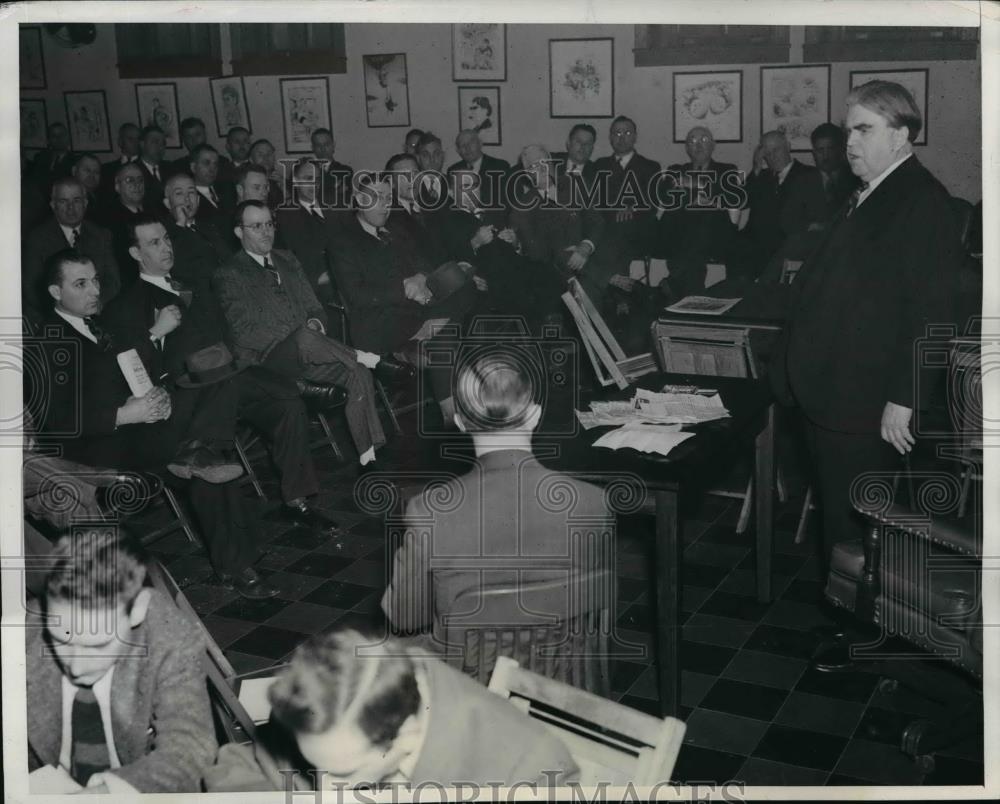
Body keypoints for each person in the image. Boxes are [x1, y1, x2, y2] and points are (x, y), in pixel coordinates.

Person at [777, 80, 962, 585]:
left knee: (858, 531)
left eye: (864, 129)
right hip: (833, 395)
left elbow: (933, 313)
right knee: (843, 523)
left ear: (901, 136)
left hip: (866, 402)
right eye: (847, 130)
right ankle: (845, 621)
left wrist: (905, 398)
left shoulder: (923, 201)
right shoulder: (869, 191)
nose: (849, 142)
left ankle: (856, 638)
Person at [31, 250, 280, 598]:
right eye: (81, 284)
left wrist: (156, 394)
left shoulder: (99, 325)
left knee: (216, 385)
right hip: (100, 447)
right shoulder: (47, 342)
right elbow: (53, 421)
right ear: (56, 292)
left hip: (141, 428)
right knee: (201, 455)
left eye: (96, 280)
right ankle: (237, 563)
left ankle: (200, 464)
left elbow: (130, 371)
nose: (94, 290)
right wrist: (123, 414)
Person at [102, 215, 339, 533]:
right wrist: (156, 333)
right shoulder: (126, 306)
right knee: (246, 417)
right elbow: (133, 370)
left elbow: (228, 334)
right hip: (186, 394)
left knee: (286, 404)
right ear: (135, 253)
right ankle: (233, 559)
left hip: (230, 377)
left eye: (167, 239)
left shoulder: (196, 284)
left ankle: (297, 502)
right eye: (154, 243)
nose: (166, 247)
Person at [382, 349, 613, 637]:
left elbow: (405, 617)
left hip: (466, 677)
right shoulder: (592, 502)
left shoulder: (429, 511)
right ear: (535, 415)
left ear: (460, 422)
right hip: (561, 675)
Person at [204, 628, 579, 792]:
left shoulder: (531, 772)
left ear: (408, 735)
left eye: (344, 774)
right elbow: (248, 763)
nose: (331, 790)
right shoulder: (335, 693)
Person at [214, 201, 404, 466]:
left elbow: (315, 307)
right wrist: (299, 334)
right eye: (256, 226)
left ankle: (368, 458)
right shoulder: (229, 274)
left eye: (269, 224)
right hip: (269, 364)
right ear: (238, 232)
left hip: (311, 352)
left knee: (355, 373)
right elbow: (243, 332)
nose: (266, 232)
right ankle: (369, 358)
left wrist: (315, 323)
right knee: (305, 338)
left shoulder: (287, 259)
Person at [26, 528, 217, 793]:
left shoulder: (168, 635)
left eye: (98, 645)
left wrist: (104, 795)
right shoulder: (21, 634)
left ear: (138, 609)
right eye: (61, 640)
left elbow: (189, 746)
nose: (77, 668)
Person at [328, 176, 475, 420]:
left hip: (419, 310)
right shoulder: (343, 242)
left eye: (388, 198)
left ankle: (427, 334)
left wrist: (421, 277)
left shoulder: (396, 230)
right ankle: (451, 410)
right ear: (358, 199)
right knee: (447, 338)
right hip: (380, 320)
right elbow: (357, 296)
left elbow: (427, 266)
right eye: (376, 198)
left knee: (462, 282)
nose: (384, 205)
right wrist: (405, 287)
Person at [508, 144, 610, 306]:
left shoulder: (577, 186)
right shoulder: (521, 207)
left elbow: (597, 223)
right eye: (533, 166)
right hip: (552, 273)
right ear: (527, 174)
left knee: (590, 290)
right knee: (586, 291)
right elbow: (535, 252)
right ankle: (608, 283)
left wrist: (585, 247)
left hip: (588, 261)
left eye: (543, 162)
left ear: (551, 163)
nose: (541, 168)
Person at [658, 126, 742, 296]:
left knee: (700, 218)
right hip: (680, 236)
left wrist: (693, 184)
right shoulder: (675, 169)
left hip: (716, 234)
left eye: (704, 140)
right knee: (689, 227)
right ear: (687, 148)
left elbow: (732, 196)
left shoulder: (727, 170)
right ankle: (693, 295)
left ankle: (675, 283)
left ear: (713, 145)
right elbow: (665, 195)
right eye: (693, 141)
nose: (698, 145)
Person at [22, 177, 121, 316]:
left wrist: (96, 303)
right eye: (63, 201)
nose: (71, 207)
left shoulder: (101, 235)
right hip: (52, 316)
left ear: (85, 203)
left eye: (76, 200)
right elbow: (31, 288)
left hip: (96, 312)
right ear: (53, 205)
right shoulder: (37, 238)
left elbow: (113, 281)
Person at [739, 129, 826, 278]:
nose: (772, 156)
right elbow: (742, 202)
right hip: (754, 244)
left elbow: (814, 215)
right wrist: (756, 168)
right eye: (767, 152)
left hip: (785, 243)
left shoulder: (808, 174)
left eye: (776, 150)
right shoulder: (761, 177)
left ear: (788, 147)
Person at [275, 159, 349, 298]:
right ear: (295, 181)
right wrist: (316, 279)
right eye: (308, 179)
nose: (314, 184)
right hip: (314, 288)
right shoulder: (285, 216)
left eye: (317, 179)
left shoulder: (337, 206)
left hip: (347, 280)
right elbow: (289, 259)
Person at [591, 116, 662, 259]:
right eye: (617, 133)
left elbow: (652, 204)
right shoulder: (600, 165)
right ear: (610, 138)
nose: (621, 138)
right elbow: (594, 201)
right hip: (605, 228)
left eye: (627, 133)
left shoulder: (650, 167)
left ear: (635, 137)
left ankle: (611, 278)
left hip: (637, 231)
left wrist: (632, 208)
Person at [160, 173, 233, 293]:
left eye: (191, 192)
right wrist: (180, 225)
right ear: (168, 203)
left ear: (198, 200)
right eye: (179, 193)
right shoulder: (164, 233)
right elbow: (176, 269)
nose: (187, 198)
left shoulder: (210, 227)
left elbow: (229, 259)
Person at [102, 162, 148, 289]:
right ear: (117, 186)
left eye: (140, 180)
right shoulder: (108, 220)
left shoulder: (155, 213)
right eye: (129, 180)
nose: (137, 185)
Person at [446, 129, 510, 210]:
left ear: (480, 144)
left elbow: (507, 203)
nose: (467, 148)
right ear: (458, 151)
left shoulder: (500, 166)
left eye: (471, 142)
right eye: (462, 145)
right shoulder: (453, 170)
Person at [810, 122, 861, 221]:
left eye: (830, 149)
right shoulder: (803, 181)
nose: (825, 156)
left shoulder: (856, 180)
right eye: (820, 150)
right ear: (814, 153)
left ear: (841, 150)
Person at [188, 143, 236, 225]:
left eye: (215, 164)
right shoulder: (188, 198)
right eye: (206, 163)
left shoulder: (227, 189)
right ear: (193, 167)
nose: (212, 169)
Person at [310, 127, 354, 209]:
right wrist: (335, 190)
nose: (323, 149)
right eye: (318, 145)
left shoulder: (345, 170)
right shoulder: (306, 170)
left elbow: (345, 199)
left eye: (326, 144)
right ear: (312, 148)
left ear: (333, 146)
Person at [99, 123, 140, 197]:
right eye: (130, 139)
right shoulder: (106, 169)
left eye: (138, 139)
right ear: (120, 142)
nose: (136, 143)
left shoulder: (146, 166)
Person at [136, 125, 168, 212]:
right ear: (142, 144)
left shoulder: (171, 168)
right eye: (155, 142)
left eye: (163, 143)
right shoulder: (132, 170)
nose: (160, 147)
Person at [249, 138, 284, 208]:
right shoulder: (246, 183)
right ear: (251, 159)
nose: (266, 158)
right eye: (260, 154)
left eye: (269, 153)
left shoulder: (284, 182)